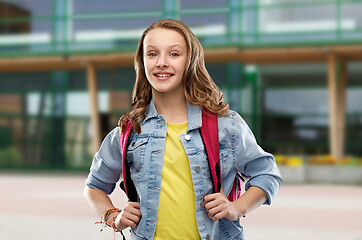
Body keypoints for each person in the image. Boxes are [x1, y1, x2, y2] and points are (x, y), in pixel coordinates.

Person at [84, 18, 282, 240]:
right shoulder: (129, 131)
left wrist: (238, 207)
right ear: (142, 62)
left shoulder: (226, 125)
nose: (161, 62)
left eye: (174, 54)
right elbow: (94, 187)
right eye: (152, 54)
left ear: (190, 61)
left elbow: (267, 174)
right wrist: (113, 217)